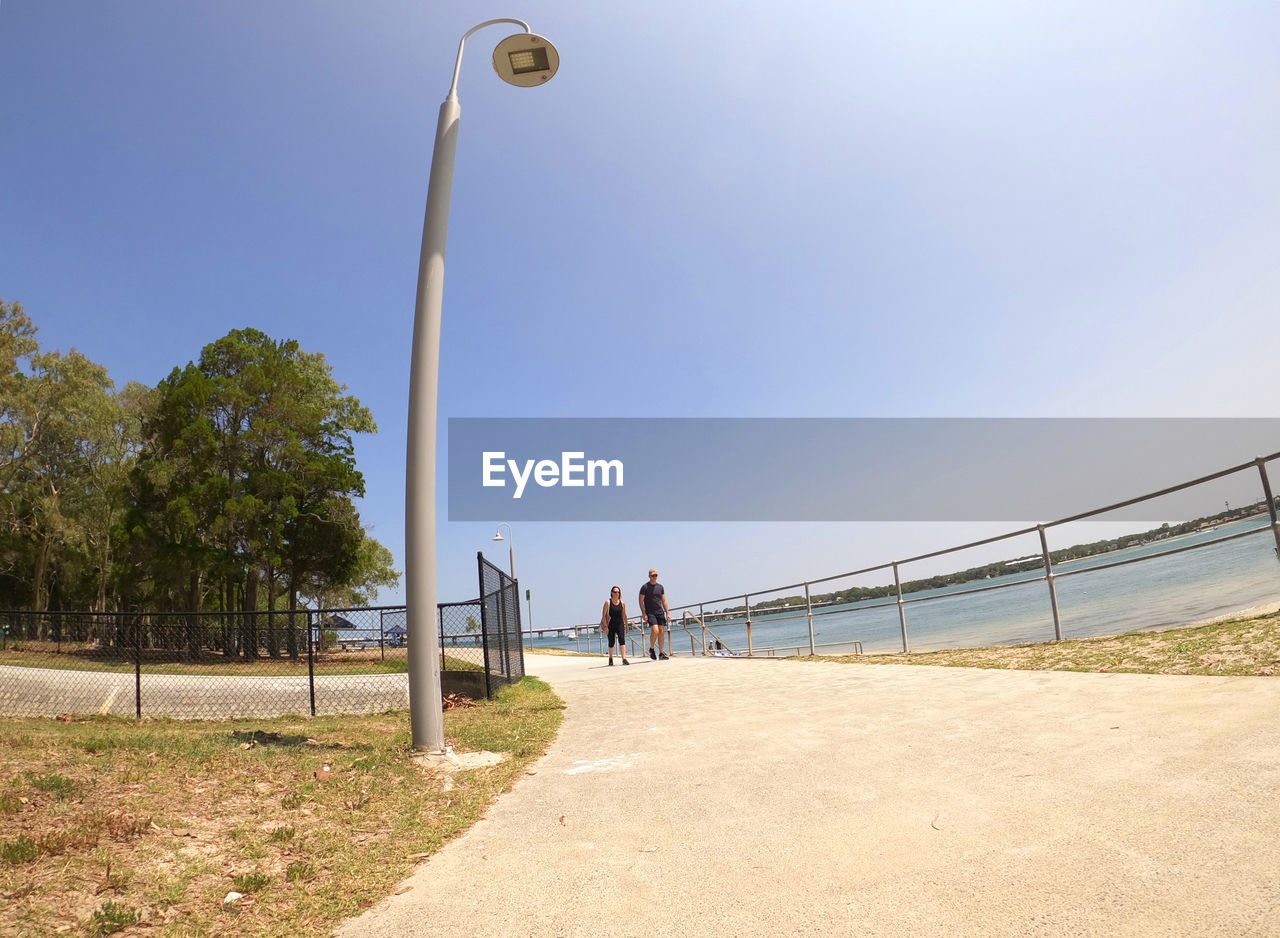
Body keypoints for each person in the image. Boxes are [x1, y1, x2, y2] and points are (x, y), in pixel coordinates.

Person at [639, 568, 670, 660]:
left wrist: (668, 612)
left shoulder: (660, 587)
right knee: (655, 630)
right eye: (653, 575)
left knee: (661, 631)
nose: (654, 577)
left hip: (660, 611)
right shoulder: (645, 587)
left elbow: (664, 600)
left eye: (656, 575)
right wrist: (644, 613)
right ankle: (652, 649)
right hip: (650, 612)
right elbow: (641, 601)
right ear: (649, 576)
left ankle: (661, 653)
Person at [599, 586, 630, 666]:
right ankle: (610, 658)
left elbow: (624, 615)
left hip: (620, 624)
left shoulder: (622, 603)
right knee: (611, 642)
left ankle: (624, 659)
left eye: (618, 592)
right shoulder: (608, 602)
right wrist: (605, 627)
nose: (617, 593)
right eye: (615, 592)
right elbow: (604, 615)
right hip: (611, 624)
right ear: (612, 593)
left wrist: (626, 625)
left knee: (622, 640)